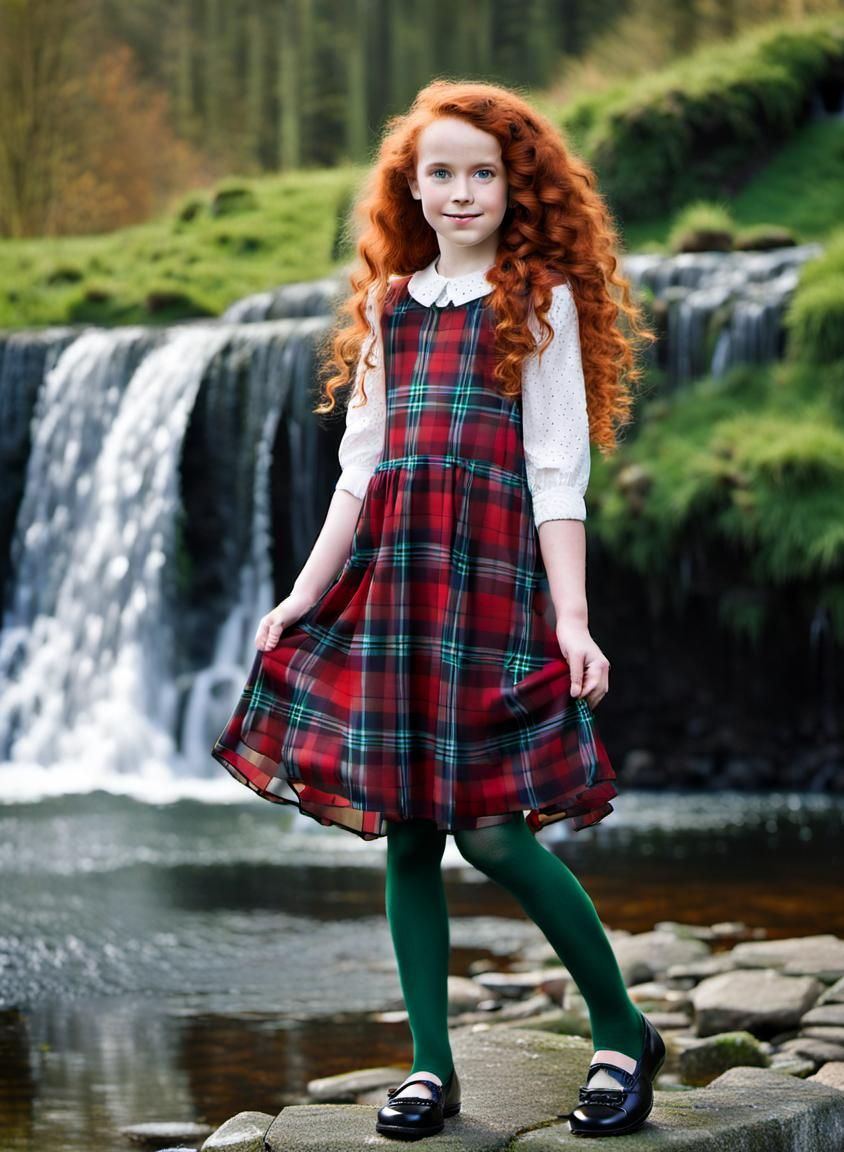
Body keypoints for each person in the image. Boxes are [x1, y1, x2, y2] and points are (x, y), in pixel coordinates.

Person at [211, 78, 663, 1140]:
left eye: (481, 173)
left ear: (516, 186)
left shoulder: (537, 301)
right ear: (410, 189)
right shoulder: (387, 306)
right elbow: (359, 470)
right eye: (440, 174)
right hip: (394, 593)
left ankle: (618, 1029)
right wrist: (302, 592)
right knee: (409, 833)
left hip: (495, 592)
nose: (460, 192)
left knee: (497, 835)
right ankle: (427, 1065)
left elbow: (557, 474)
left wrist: (571, 620)